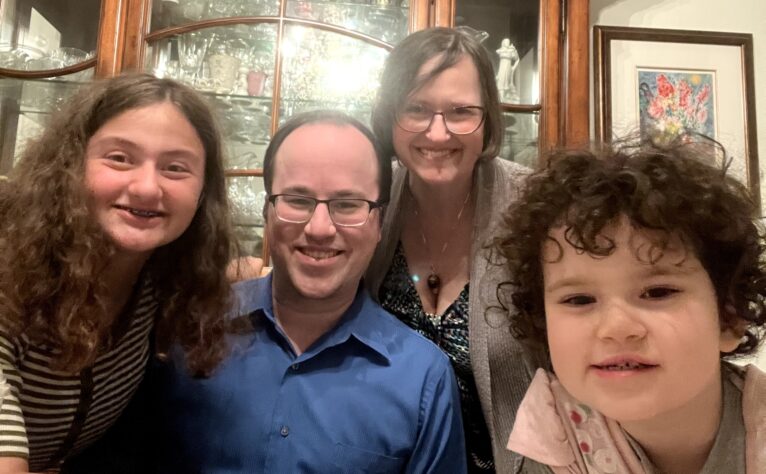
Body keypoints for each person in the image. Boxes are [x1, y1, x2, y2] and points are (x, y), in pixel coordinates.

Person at [154, 110, 466, 473]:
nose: (319, 229)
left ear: (380, 223)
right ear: (267, 212)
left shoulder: (423, 378)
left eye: (347, 205)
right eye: (297, 200)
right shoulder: (191, 328)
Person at [0, 73, 234, 472]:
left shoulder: (163, 283)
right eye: (120, 158)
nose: (147, 188)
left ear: (202, 193)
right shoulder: (10, 278)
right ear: (71, 165)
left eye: (175, 168)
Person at [495, 138, 766, 473]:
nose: (616, 328)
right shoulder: (555, 432)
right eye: (579, 299)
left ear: (729, 317)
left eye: (657, 292)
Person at [365, 27, 548, 473]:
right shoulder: (372, 198)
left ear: (488, 118)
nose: (438, 132)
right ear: (390, 115)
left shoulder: (537, 208)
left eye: (461, 111)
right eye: (416, 109)